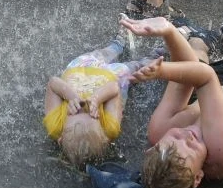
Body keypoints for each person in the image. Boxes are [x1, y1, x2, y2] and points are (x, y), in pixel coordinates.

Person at [120, 1, 223, 188]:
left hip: (207, 89)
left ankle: (206, 40)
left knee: (195, 51)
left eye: (175, 137)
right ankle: (222, 33)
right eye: (192, 146)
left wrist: (168, 32)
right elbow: (205, 77)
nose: (188, 135)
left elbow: (184, 79)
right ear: (198, 177)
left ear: (152, 147)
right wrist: (162, 70)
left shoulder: (159, 132)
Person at [44, 28, 162, 167]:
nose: (84, 105)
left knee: (104, 53)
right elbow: (114, 88)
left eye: (76, 110)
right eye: (93, 114)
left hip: (80, 67)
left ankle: (118, 42)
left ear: (60, 137)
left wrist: (71, 96)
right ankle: (160, 54)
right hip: (111, 76)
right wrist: (97, 99)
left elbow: (53, 83)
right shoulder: (110, 128)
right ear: (104, 136)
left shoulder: (55, 126)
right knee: (137, 70)